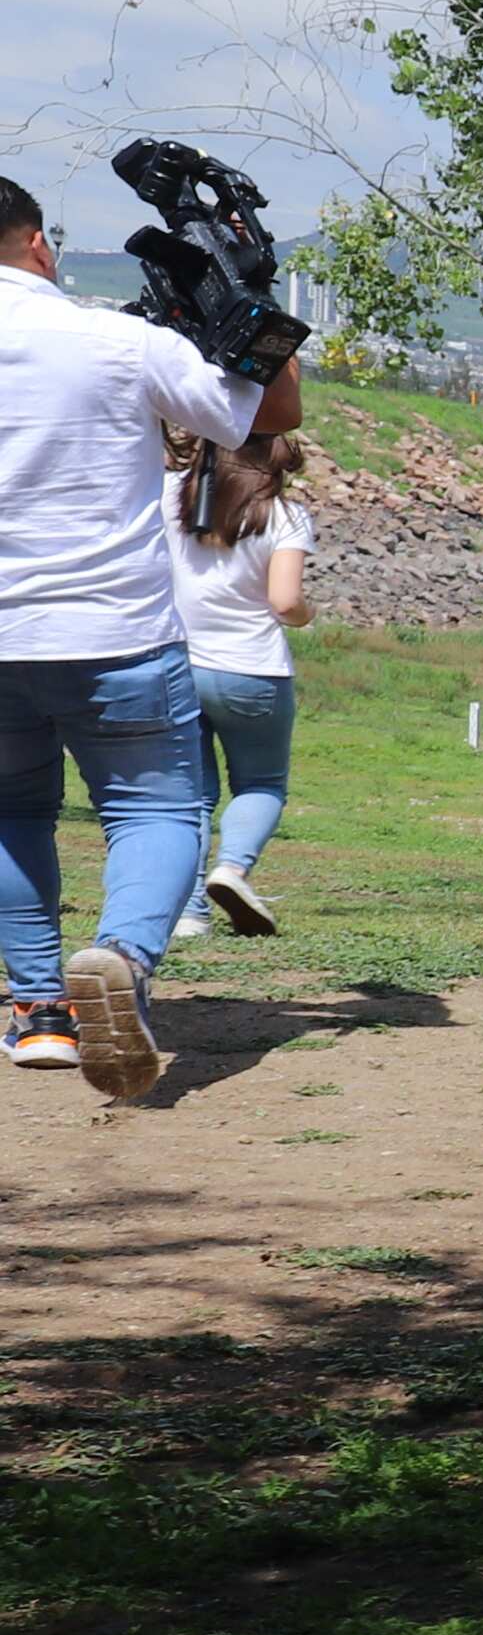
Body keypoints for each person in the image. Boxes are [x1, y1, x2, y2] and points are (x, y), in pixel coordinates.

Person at [2, 169, 296, 1099]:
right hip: (114, 627)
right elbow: (269, 417)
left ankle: (41, 1014)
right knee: (158, 811)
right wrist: (251, 301)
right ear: (40, 244)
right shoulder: (117, 340)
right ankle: (122, 962)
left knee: (11, 813)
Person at [167, 429, 310, 941]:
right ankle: (232, 869)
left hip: (178, 664)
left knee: (190, 797)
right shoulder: (284, 516)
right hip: (252, 670)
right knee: (261, 784)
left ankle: (186, 913)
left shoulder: (174, 497)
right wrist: (308, 614)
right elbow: (285, 602)